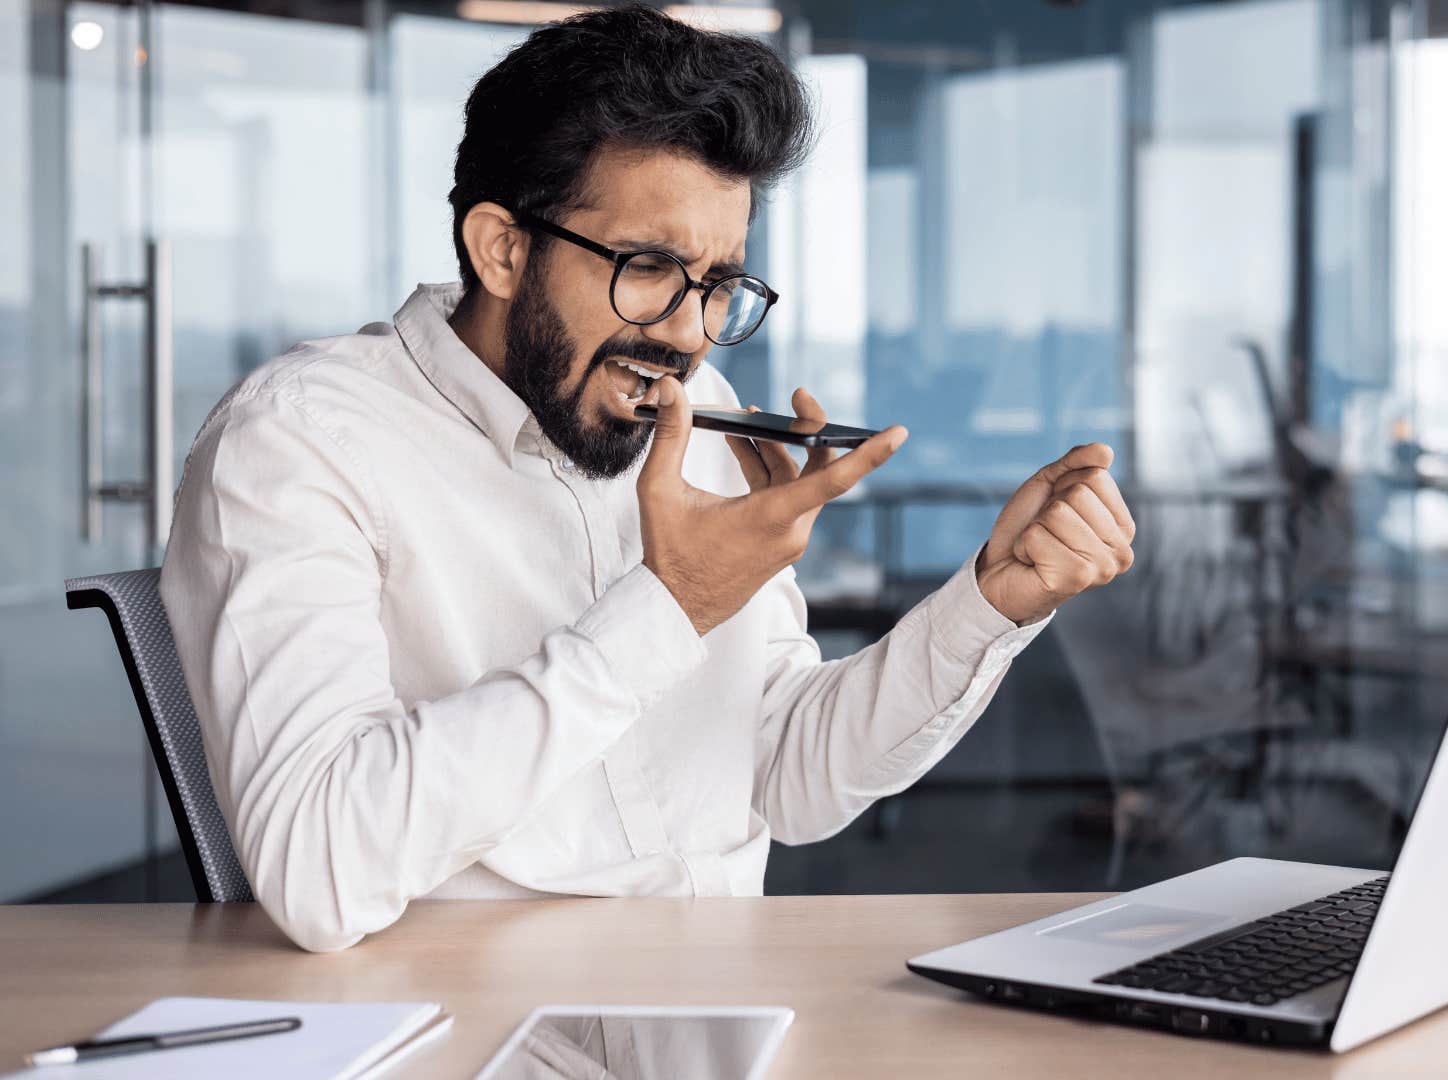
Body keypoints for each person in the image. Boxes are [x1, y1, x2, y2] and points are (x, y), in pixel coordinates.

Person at [159, 5, 1135, 953]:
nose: (685, 331)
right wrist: (669, 608)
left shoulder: (691, 409)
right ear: (502, 247)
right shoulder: (300, 442)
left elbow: (787, 778)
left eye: (718, 284)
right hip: (468, 1027)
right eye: (649, 266)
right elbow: (320, 872)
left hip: (719, 1004)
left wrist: (989, 605)